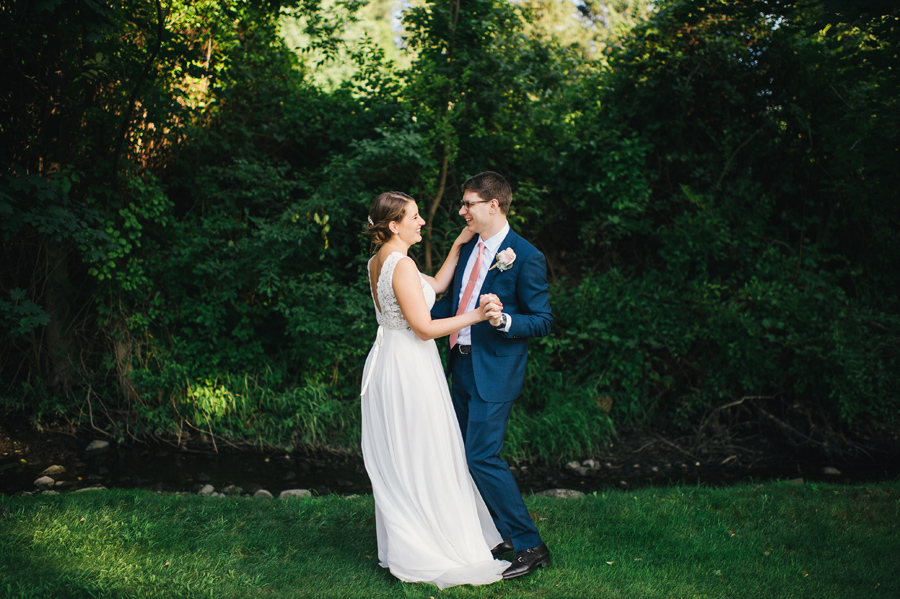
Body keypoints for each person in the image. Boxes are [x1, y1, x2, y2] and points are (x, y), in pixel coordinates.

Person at [359, 191, 510, 589]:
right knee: (426, 451)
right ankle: (430, 543)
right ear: (394, 225)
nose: (422, 221)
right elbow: (424, 328)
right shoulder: (402, 265)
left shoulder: (380, 261)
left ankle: (415, 534)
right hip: (408, 365)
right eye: (414, 216)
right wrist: (476, 315)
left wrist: (460, 245)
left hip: (392, 359)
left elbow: (438, 286)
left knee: (411, 453)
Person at [431, 171, 553, 579]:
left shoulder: (525, 255)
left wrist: (503, 320)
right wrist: (409, 322)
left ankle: (530, 544)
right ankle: (496, 535)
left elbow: (541, 321)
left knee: (481, 456)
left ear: (493, 205)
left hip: (495, 371)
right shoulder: (468, 249)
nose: (461, 210)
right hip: (459, 364)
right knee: (462, 457)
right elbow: (451, 303)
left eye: (468, 203)